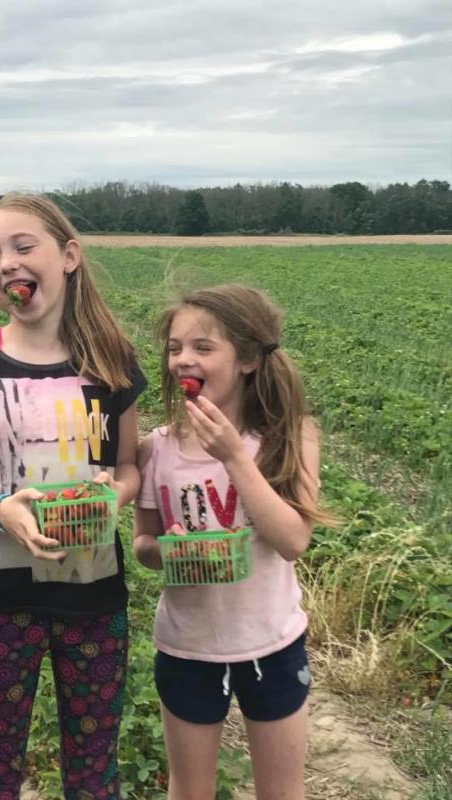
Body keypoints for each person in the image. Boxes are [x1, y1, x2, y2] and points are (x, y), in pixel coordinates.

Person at [0, 193, 146, 799]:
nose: (6, 264)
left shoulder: (112, 361)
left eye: (24, 247)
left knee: (94, 770)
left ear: (68, 256)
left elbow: (127, 465)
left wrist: (114, 495)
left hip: (93, 593)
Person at [134, 284, 328, 800]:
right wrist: (168, 551)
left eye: (202, 347)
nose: (182, 360)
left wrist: (234, 458)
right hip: (187, 646)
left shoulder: (290, 435)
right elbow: (144, 547)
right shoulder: (157, 448)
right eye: (175, 348)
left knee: (281, 791)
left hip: (272, 642)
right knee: (190, 789)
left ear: (245, 358)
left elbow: (292, 540)